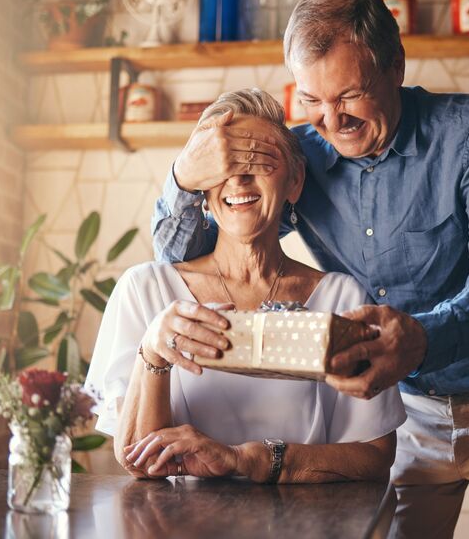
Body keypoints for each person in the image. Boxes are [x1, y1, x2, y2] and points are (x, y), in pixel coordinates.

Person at [150, 0, 469, 539]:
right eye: (311, 100)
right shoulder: (301, 161)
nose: (330, 121)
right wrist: (184, 175)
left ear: (394, 66)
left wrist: (421, 338)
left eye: (349, 95)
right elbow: (179, 261)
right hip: (406, 409)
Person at [86, 88, 406, 485]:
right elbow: (139, 461)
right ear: (202, 188)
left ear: (295, 181)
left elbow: (374, 455)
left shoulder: (342, 298)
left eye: (259, 159)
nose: (238, 177)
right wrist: (154, 351)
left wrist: (251, 460)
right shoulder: (144, 290)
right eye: (225, 163)